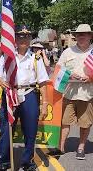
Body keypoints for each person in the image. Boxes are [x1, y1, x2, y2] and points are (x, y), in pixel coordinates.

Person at [0, 26, 49, 171]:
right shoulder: (7, 57)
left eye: (27, 37)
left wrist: (45, 104)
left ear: (30, 40)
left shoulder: (36, 58)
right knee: (6, 130)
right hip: (10, 94)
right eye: (20, 37)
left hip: (29, 94)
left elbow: (43, 82)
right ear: (15, 39)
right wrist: (3, 84)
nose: (23, 39)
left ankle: (27, 162)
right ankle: (4, 162)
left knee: (30, 131)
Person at [49, 24, 93, 160]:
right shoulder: (68, 51)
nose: (81, 36)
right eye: (79, 34)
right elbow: (57, 70)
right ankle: (60, 147)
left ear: (90, 36)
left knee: (85, 123)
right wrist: (69, 75)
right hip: (69, 93)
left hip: (87, 94)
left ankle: (81, 148)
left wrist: (90, 77)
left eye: (84, 34)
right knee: (64, 122)